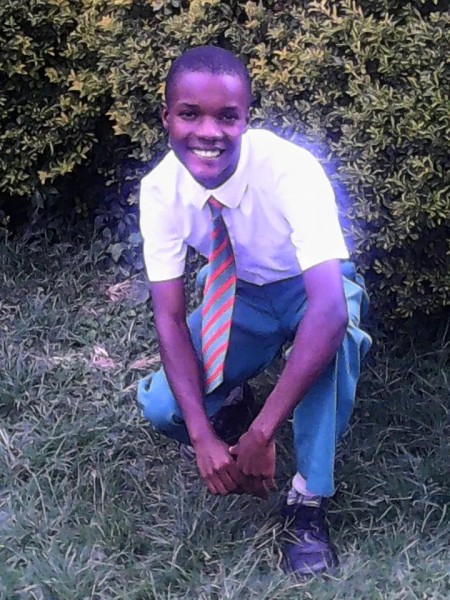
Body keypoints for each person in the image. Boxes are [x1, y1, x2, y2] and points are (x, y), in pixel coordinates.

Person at [137, 45, 372, 577]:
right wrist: (202, 436)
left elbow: (329, 308)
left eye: (227, 116)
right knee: (163, 407)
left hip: (310, 289)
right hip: (238, 294)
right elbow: (169, 317)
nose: (209, 132)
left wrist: (263, 435)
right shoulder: (159, 191)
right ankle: (233, 402)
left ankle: (307, 500)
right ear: (167, 116)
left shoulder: (290, 169)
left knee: (332, 344)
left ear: (246, 118)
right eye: (190, 113)